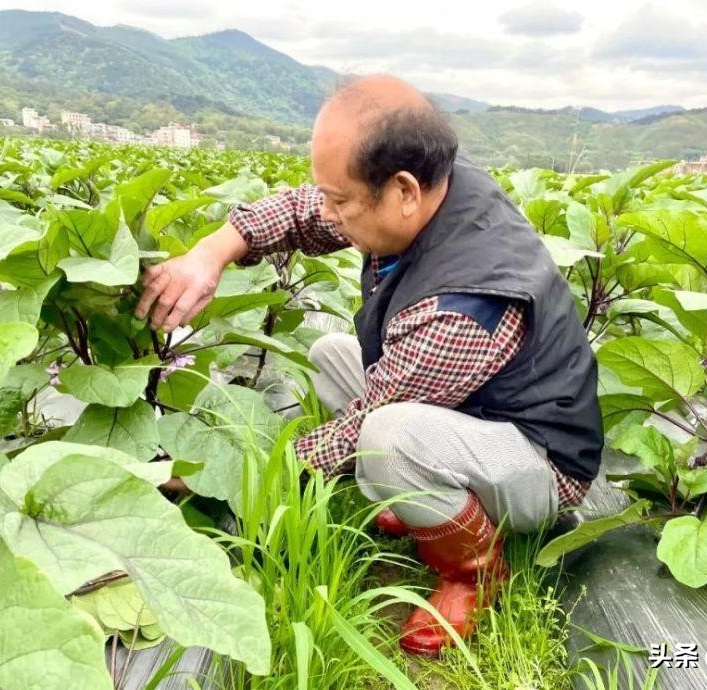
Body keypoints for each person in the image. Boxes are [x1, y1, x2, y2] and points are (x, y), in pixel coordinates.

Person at [135, 74, 604, 658]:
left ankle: (474, 572)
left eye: (342, 202)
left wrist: (208, 477)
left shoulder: (465, 307)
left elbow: (352, 435)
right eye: (330, 196)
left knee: (386, 437)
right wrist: (209, 253)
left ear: (404, 190)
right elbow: (306, 208)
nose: (329, 215)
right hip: (477, 413)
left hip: (538, 461)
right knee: (330, 354)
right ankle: (426, 501)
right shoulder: (437, 188)